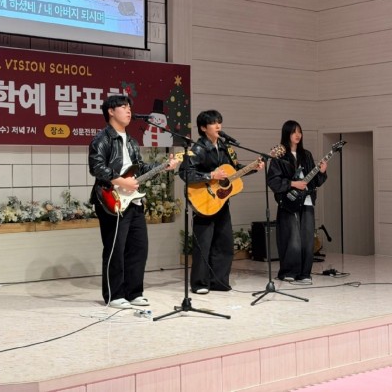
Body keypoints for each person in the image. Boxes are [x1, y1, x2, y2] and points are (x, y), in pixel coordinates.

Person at [88, 95, 179, 309]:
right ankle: (114, 295)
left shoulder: (131, 141)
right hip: (111, 199)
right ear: (111, 111)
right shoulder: (102, 139)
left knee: (139, 248)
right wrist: (122, 182)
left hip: (133, 200)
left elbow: (140, 168)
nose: (128, 110)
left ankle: (134, 292)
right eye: (123, 107)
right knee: (115, 249)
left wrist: (163, 166)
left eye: (129, 107)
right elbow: (96, 167)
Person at [178, 110, 263, 294]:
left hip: (221, 202)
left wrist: (254, 167)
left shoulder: (225, 147)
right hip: (203, 201)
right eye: (213, 123)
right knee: (204, 245)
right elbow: (185, 172)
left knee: (224, 244)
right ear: (203, 128)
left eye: (219, 122)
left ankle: (219, 281)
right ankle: (200, 283)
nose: (218, 126)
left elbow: (235, 170)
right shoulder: (198, 148)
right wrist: (211, 175)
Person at [267, 120, 327, 285]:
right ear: (287, 134)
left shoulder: (306, 155)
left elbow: (314, 182)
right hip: (289, 201)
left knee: (307, 238)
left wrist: (322, 172)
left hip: (306, 200)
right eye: (294, 132)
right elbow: (273, 181)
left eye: (299, 131)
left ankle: (305, 273)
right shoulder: (279, 156)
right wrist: (293, 184)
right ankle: (289, 271)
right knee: (291, 238)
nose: (297, 135)